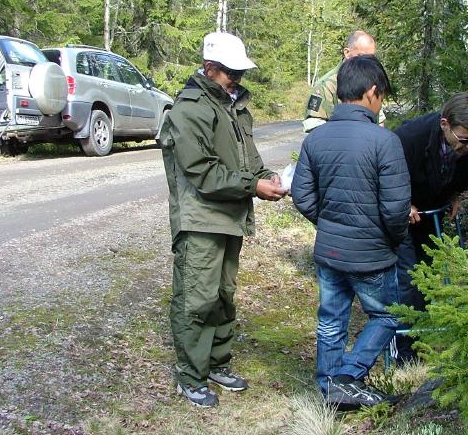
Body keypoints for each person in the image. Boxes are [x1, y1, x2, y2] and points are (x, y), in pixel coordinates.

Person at [159, 31, 288, 408]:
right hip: (200, 220)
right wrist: (253, 186)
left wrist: (268, 177)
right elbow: (202, 172)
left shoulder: (235, 107)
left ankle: (216, 363)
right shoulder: (189, 108)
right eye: (232, 73)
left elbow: (249, 160)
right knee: (196, 300)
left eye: (241, 73)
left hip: (230, 217)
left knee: (223, 296)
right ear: (209, 67)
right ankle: (191, 376)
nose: (238, 79)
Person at [292, 54, 411, 409]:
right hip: (372, 255)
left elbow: (302, 196)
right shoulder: (385, 142)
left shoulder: (315, 139)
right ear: (372, 91)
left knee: (331, 321)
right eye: (382, 96)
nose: (381, 103)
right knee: (389, 314)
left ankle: (330, 391)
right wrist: (391, 240)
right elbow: (396, 210)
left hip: (330, 252)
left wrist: (329, 223)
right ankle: (346, 378)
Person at [393, 92, 468, 362]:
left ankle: (420, 338)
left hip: (431, 209)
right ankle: (403, 351)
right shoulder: (410, 137)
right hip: (402, 211)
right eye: (465, 140)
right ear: (445, 124)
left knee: (427, 274)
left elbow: (465, 170)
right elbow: (386, 172)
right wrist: (402, 201)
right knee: (408, 277)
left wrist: (456, 194)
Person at [302, 30, 386, 132]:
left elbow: (379, 119)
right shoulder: (327, 85)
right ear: (347, 52)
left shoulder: (372, 80)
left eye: (371, 57)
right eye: (362, 56)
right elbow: (314, 124)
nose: (368, 62)